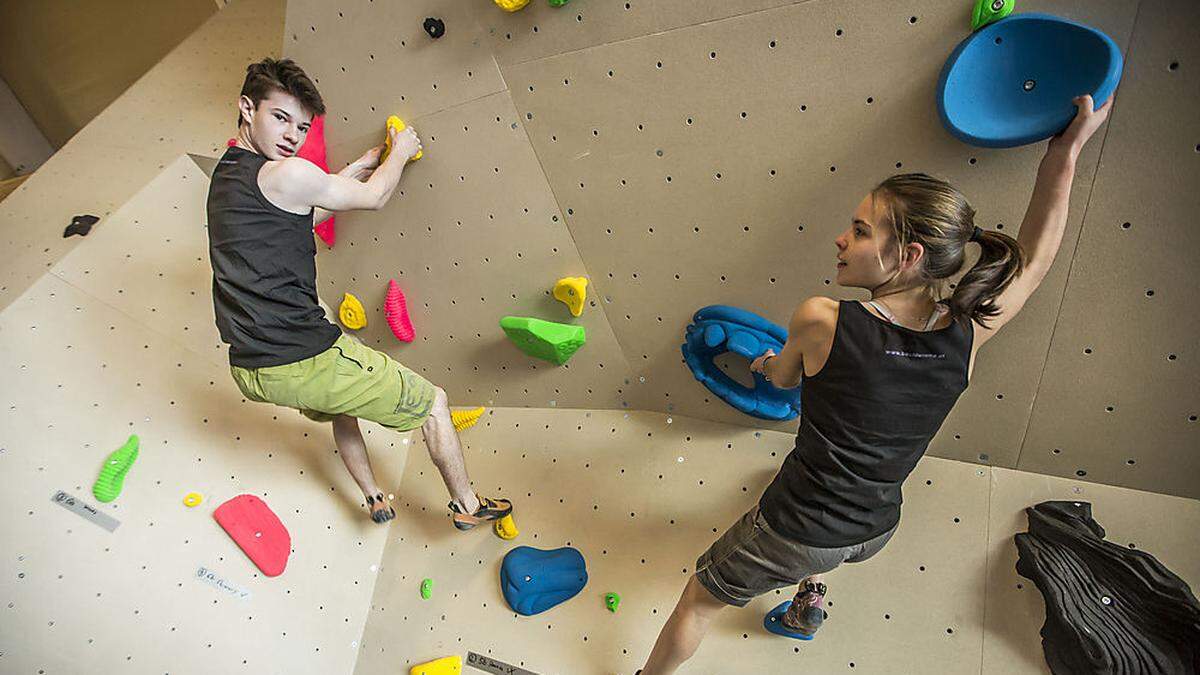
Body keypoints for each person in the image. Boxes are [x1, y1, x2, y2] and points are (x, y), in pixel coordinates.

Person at [638, 92, 1113, 674]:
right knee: (814, 517)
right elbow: (1035, 262)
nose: (842, 239)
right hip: (876, 526)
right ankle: (808, 601)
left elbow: (782, 383)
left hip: (797, 530)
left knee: (698, 599)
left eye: (860, 232)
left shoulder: (821, 318)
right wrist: (1064, 153)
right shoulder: (967, 335)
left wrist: (764, 364)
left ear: (908, 255)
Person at [205, 57, 512, 529]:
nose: (291, 136)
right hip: (301, 356)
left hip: (252, 367)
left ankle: (373, 496)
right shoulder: (286, 173)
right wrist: (401, 151)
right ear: (247, 108)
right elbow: (374, 199)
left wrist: (364, 163)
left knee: (342, 409)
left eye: (301, 127)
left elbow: (303, 216)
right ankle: (467, 507)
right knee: (434, 404)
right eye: (280, 118)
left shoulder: (227, 176)